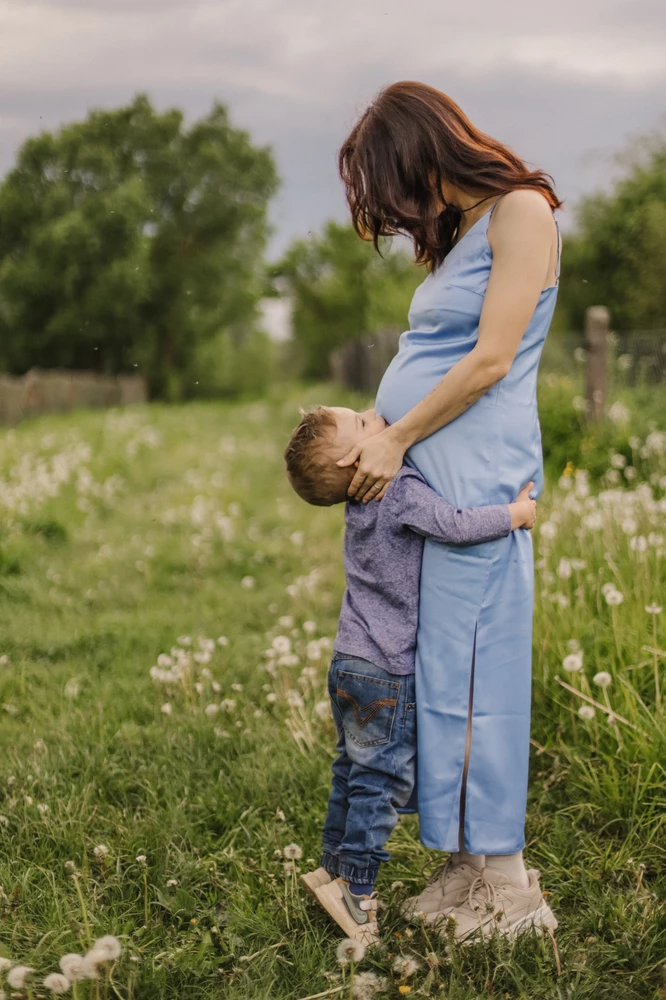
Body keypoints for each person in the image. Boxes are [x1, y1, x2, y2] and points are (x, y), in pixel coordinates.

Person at [332, 81, 562, 939]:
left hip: (478, 472)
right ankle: (466, 866)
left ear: (427, 153)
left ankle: (508, 885)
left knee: (481, 676)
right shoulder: (464, 227)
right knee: (441, 678)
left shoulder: (521, 214)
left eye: (394, 185)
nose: (397, 212)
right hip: (439, 472)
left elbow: (493, 358)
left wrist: (395, 441)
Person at [283, 402, 540, 944]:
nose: (373, 413)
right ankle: (356, 892)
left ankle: (331, 868)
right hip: (387, 667)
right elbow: (454, 525)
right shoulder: (394, 490)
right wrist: (516, 516)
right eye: (360, 421)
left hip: (350, 661)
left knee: (350, 770)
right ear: (358, 462)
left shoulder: (359, 501)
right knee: (379, 781)